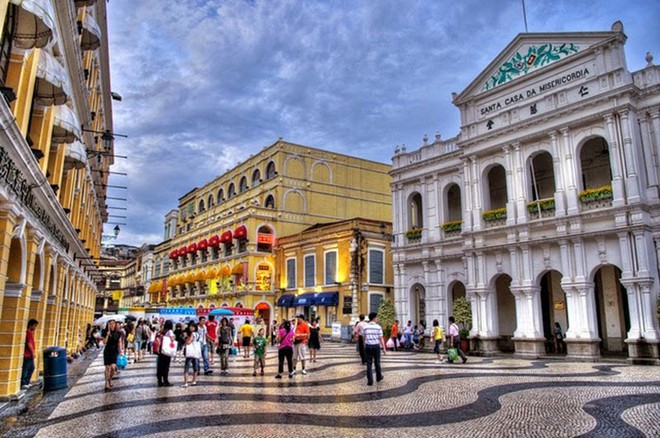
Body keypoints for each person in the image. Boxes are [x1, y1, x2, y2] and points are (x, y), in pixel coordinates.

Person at [363, 312, 386, 386]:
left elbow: (364, 337)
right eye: (377, 317)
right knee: (377, 362)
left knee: (369, 364)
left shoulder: (365, 327)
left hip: (368, 346)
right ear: (374, 318)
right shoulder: (378, 327)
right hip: (376, 346)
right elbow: (381, 338)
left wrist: (364, 345)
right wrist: (384, 348)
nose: (378, 319)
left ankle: (370, 380)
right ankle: (378, 377)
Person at [102, 320, 122, 391]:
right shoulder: (105, 332)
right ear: (108, 324)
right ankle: (106, 382)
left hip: (114, 351)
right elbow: (104, 342)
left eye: (113, 323)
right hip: (107, 351)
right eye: (110, 324)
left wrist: (120, 351)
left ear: (115, 324)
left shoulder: (118, 333)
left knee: (113, 367)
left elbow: (119, 342)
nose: (112, 325)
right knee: (107, 367)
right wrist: (107, 335)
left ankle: (110, 379)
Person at [21, 319, 38, 390]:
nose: (35, 327)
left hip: (29, 355)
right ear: (31, 325)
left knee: (31, 368)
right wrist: (33, 352)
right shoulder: (28, 332)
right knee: (26, 368)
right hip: (27, 354)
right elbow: (29, 343)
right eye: (35, 326)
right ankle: (23, 383)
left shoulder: (30, 332)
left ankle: (27, 382)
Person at [182, 322, 201, 387]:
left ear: (195, 328)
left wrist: (185, 339)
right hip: (196, 352)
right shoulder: (198, 334)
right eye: (190, 326)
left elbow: (189, 342)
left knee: (187, 367)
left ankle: (186, 382)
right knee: (195, 367)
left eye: (192, 327)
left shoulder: (192, 334)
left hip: (190, 352)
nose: (190, 327)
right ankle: (194, 381)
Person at [156, 320, 175, 387]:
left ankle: (160, 381)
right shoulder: (170, 331)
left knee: (160, 366)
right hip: (167, 351)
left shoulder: (163, 331)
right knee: (166, 366)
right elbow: (172, 339)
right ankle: (166, 381)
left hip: (161, 350)